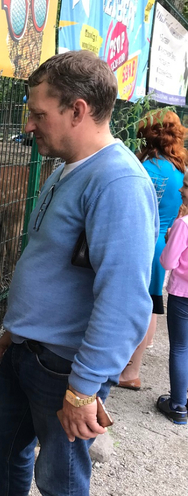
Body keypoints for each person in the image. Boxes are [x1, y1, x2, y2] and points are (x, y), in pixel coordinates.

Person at [0, 50, 158, 496]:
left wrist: (84, 388)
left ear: (78, 110)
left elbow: (124, 298)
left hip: (64, 368)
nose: (30, 125)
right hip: (27, 350)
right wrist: (15, 330)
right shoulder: (65, 168)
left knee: (60, 482)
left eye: (40, 113)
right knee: (9, 446)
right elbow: (51, 262)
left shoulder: (118, 183)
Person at [118, 110, 187, 390]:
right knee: (152, 306)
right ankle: (132, 368)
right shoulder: (178, 169)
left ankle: (125, 367)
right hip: (161, 246)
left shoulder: (144, 166)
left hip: (138, 240)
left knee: (131, 303)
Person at [158, 181, 188, 424]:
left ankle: (178, 405)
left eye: (186, 185)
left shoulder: (182, 225)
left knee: (180, 347)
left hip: (182, 294)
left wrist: (169, 239)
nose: (180, 189)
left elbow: (168, 262)